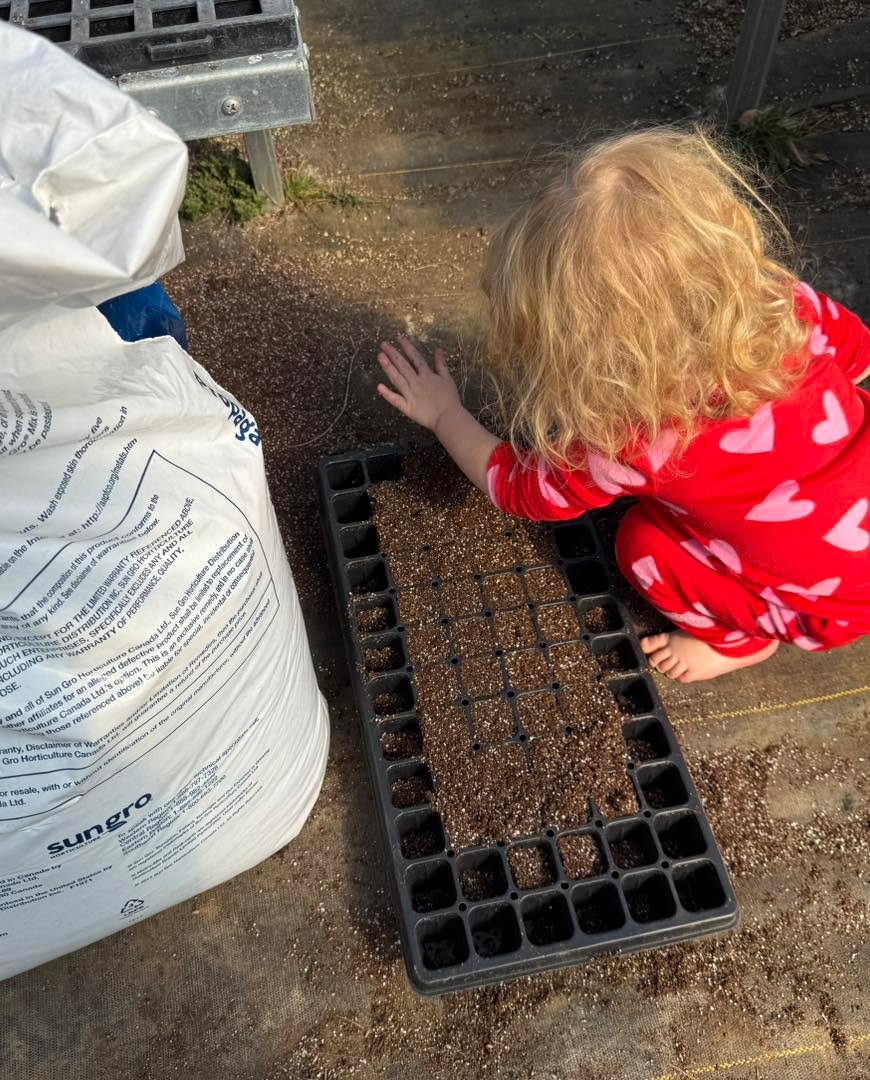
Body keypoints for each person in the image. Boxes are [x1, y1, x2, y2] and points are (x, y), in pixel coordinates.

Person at [374, 126, 870, 683]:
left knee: (643, 542)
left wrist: (446, 415)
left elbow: (520, 489)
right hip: (854, 558)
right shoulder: (786, 308)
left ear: (578, 352)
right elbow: (858, 359)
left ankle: (736, 640)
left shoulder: (635, 439)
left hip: (820, 610)